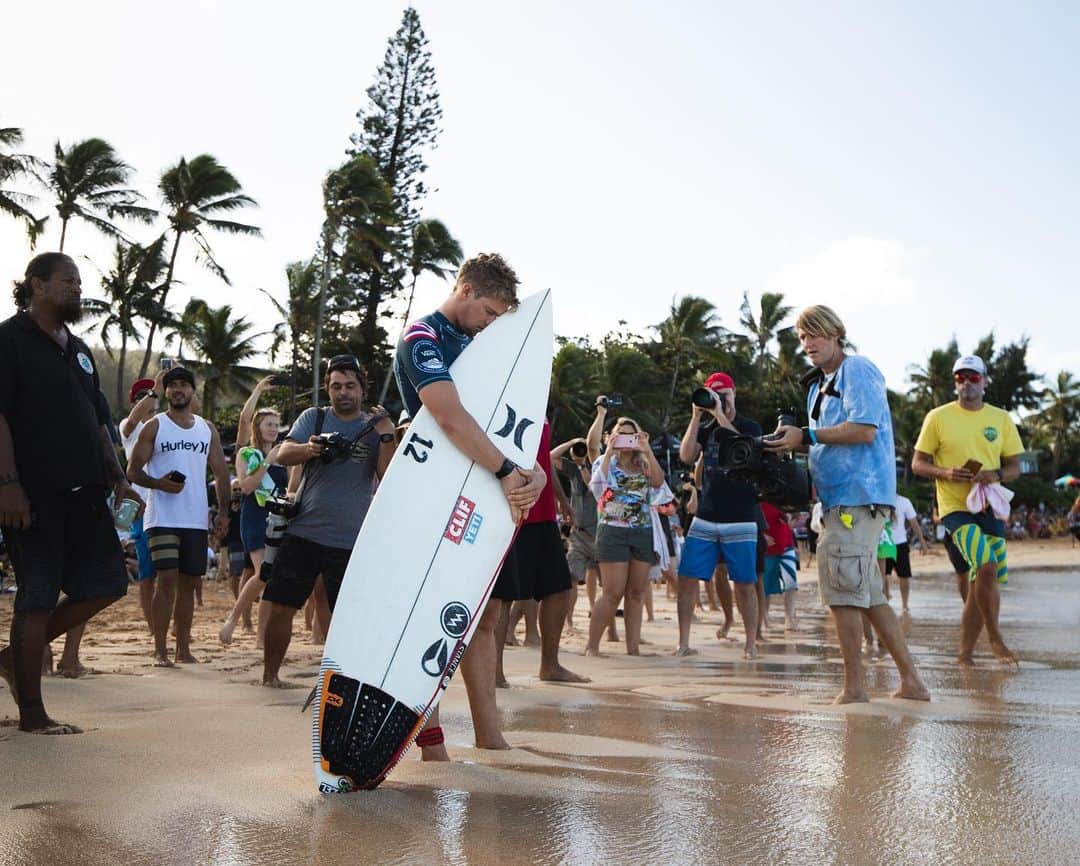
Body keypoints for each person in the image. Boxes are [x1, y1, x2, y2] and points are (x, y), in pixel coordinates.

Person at [393, 252, 546, 760]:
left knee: (483, 617)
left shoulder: (485, 346)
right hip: (433, 499)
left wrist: (535, 473)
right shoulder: (423, 339)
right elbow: (450, 418)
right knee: (428, 617)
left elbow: (513, 424)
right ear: (467, 291)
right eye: (490, 312)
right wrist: (506, 471)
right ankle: (431, 742)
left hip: (482, 495)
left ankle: (489, 734)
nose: (491, 324)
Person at [0, 251, 144, 733]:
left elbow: (98, 419)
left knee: (108, 584)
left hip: (88, 492)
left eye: (79, 282)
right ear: (36, 285)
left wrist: (120, 476)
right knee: (37, 597)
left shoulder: (78, 348)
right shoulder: (9, 340)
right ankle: (33, 715)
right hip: (33, 494)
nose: (77, 289)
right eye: (67, 281)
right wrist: (9, 485)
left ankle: (12, 657)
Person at [767, 305, 929, 704]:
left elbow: (863, 430)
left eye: (816, 334)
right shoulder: (816, 386)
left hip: (858, 498)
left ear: (837, 333)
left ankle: (855, 688)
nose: (808, 344)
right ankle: (912, 682)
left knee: (842, 593)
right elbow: (825, 440)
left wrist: (805, 435)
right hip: (841, 499)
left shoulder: (857, 369)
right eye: (803, 337)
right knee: (870, 595)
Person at [260, 356, 396, 684]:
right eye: (336, 386)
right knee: (281, 606)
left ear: (363, 389)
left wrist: (388, 435)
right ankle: (270, 675)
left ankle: (347, 679)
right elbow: (282, 454)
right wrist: (310, 448)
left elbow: (389, 479)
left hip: (351, 539)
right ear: (327, 389)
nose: (343, 392)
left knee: (349, 618)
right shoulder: (314, 418)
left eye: (350, 386)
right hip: (304, 530)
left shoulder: (375, 428)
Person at [911, 354, 1023, 666]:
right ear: (955, 382)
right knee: (984, 565)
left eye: (973, 378)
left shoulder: (1000, 419)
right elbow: (918, 463)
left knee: (984, 579)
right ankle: (996, 638)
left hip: (989, 505)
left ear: (984, 382)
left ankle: (965, 654)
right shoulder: (937, 417)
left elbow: (1015, 466)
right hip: (954, 508)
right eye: (961, 378)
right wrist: (945, 473)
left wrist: (996, 475)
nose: (967, 383)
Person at [126, 366, 230, 667]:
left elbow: (221, 474)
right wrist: (160, 484)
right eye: (173, 386)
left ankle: (183, 649)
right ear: (166, 392)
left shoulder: (205, 428)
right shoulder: (155, 426)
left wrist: (223, 512)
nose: (178, 390)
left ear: (192, 391)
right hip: (161, 518)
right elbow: (132, 471)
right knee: (166, 579)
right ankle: (160, 650)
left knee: (189, 582)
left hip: (196, 519)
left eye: (184, 385)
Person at [675, 372, 763, 659]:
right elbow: (687, 456)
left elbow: (745, 451)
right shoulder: (706, 426)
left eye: (724, 394)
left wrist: (720, 414)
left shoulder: (748, 425)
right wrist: (697, 416)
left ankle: (750, 642)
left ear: (734, 393)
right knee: (688, 577)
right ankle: (684, 641)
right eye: (714, 394)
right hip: (707, 513)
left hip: (740, 515)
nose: (719, 400)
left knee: (745, 583)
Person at [494, 420, 587, 685]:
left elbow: (543, 459)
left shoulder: (540, 407)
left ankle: (551, 666)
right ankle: (495, 673)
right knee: (502, 597)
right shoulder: (503, 395)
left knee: (558, 589)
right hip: (511, 511)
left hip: (544, 512)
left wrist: (561, 499)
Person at [585, 416, 665, 656]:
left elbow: (659, 483)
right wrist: (609, 451)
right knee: (612, 592)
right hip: (612, 531)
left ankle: (633, 648)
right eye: (621, 434)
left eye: (631, 434)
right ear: (612, 436)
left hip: (642, 531)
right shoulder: (604, 461)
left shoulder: (644, 463)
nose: (626, 439)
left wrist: (647, 449)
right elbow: (596, 487)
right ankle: (592, 646)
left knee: (637, 592)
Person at [218, 407, 287, 646]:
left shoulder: (283, 455)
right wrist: (267, 461)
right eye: (269, 424)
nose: (273, 430)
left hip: (278, 518)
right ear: (258, 427)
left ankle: (261, 638)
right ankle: (233, 620)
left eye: (276, 425)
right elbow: (246, 487)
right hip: (255, 517)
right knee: (262, 573)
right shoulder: (247, 454)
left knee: (271, 579)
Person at [120, 373, 163, 629]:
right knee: (147, 572)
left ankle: (167, 624)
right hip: (142, 508)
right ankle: (152, 625)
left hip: (168, 505)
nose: (147, 400)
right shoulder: (130, 426)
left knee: (173, 573)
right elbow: (135, 417)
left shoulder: (168, 424)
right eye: (141, 396)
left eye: (150, 395)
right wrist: (155, 389)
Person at [551, 436, 601, 636]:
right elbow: (549, 456)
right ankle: (569, 622)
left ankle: (609, 628)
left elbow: (592, 485)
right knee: (571, 579)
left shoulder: (600, 468)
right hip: (579, 535)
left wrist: (583, 466)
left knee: (606, 583)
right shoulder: (572, 469)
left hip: (600, 534)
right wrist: (571, 443)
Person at [885, 493, 927, 612]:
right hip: (884, 543)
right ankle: (885, 600)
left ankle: (905, 605)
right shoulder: (881, 499)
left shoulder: (904, 501)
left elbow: (914, 523)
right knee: (883, 575)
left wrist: (922, 542)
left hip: (901, 543)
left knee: (904, 576)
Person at [761, 501, 799, 631]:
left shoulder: (785, 491)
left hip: (786, 543)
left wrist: (792, 517)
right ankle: (764, 617)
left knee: (791, 582)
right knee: (764, 585)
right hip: (765, 546)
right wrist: (760, 535)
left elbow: (796, 511)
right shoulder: (754, 490)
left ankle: (789, 616)